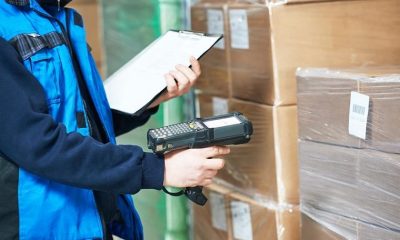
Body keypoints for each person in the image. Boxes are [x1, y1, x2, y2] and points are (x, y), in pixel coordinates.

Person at [0, 0, 229, 239]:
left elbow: (81, 122)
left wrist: (148, 99)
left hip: (86, 222)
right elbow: (37, 143)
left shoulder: (57, 17)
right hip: (38, 229)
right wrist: (159, 169)